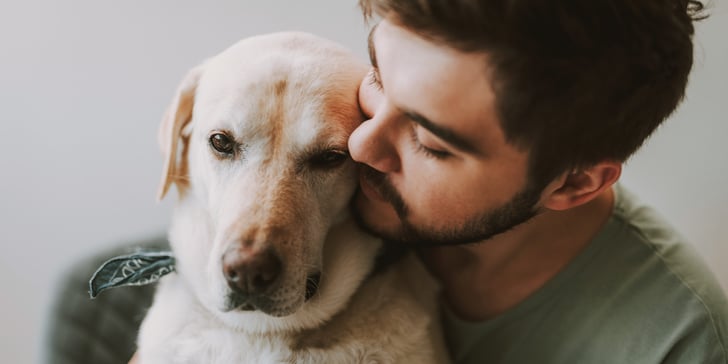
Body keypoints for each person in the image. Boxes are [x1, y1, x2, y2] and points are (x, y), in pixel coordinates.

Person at [347, 0, 728, 363]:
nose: (360, 144)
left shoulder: (680, 345)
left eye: (432, 144)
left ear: (574, 183)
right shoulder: (327, 186)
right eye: (377, 79)